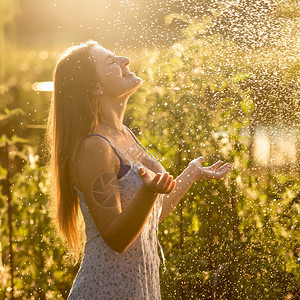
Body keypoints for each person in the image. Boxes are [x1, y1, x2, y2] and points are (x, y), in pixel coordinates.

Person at [47, 40, 231, 299]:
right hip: (105, 291)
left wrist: (191, 173)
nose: (125, 60)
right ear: (96, 87)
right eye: (111, 61)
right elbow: (116, 237)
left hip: (138, 290)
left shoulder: (124, 135)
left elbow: (151, 215)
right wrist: (147, 193)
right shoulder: (95, 147)